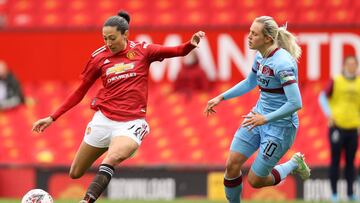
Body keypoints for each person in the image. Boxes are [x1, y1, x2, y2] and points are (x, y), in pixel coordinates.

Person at [32, 11, 205, 203]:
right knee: (75, 172)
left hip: (130, 123)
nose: (108, 42)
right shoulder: (99, 58)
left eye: (112, 38)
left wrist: (191, 44)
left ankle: (87, 200)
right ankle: (111, 143)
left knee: (111, 158)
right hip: (104, 120)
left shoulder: (143, 50)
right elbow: (79, 91)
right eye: (105, 38)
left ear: (125, 34)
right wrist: (52, 117)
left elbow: (178, 50)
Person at [204, 16, 310, 203]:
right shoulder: (260, 56)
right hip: (257, 118)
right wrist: (221, 97)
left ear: (268, 38)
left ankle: (293, 164)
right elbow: (250, 82)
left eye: (254, 33)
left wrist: (265, 119)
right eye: (250, 32)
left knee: (255, 180)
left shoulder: (282, 64)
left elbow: (296, 103)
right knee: (232, 165)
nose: (249, 37)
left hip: (280, 127)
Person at [318, 55, 359, 202]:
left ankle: (350, 194)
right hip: (337, 127)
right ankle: (334, 194)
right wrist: (329, 115)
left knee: (350, 162)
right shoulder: (336, 80)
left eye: (354, 64)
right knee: (335, 161)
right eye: (349, 64)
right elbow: (322, 97)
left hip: (353, 129)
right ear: (344, 66)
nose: (352, 66)